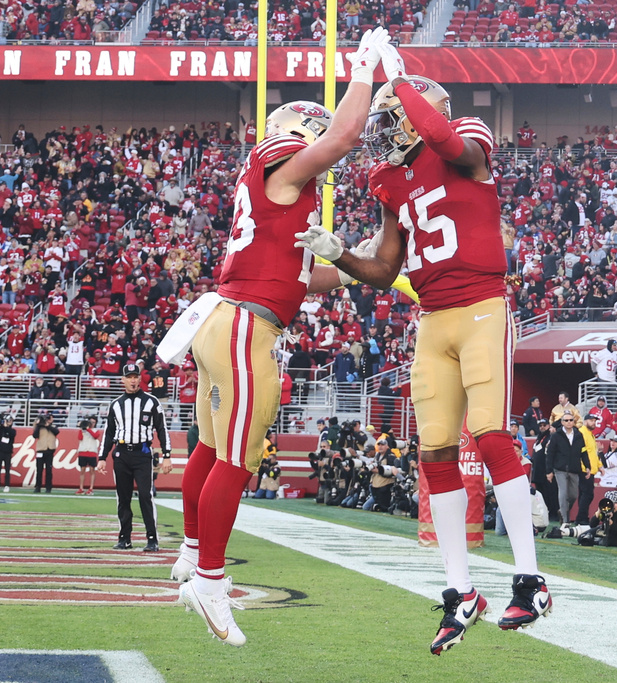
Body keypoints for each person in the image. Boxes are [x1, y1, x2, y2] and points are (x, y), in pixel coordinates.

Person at [298, 45, 551, 645]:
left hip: (484, 305)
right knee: (434, 454)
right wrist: (341, 256)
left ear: (420, 109)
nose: (387, 133)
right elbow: (387, 269)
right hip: (433, 320)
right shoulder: (387, 178)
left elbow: (445, 140)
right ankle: (460, 594)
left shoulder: (464, 137)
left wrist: (397, 77)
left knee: (491, 437)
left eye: (393, 117)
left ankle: (531, 581)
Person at [174, 28, 394, 649]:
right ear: (296, 134)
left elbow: (304, 276)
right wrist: (362, 69)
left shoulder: (274, 197)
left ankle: (193, 554)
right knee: (239, 461)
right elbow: (346, 135)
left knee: (214, 451)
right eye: (312, 136)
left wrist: (348, 258)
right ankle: (211, 585)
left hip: (225, 319)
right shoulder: (280, 168)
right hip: (245, 326)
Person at [98, 364, 172, 551]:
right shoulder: (116, 404)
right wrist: (101, 457)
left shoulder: (152, 401)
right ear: (122, 380)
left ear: (140, 379)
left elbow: (162, 429)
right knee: (123, 498)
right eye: (129, 377)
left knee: (146, 496)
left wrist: (167, 455)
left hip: (143, 454)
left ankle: (152, 539)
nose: (132, 380)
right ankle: (124, 538)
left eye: (135, 376)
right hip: (122, 453)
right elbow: (109, 433)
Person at [545, 413, 586, 525]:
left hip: (574, 469)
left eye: (570, 420)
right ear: (562, 422)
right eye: (566, 420)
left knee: (573, 495)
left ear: (574, 421)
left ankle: (563, 511)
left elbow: (583, 452)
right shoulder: (556, 436)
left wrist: (587, 466)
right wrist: (549, 471)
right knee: (563, 493)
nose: (568, 422)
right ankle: (565, 520)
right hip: (560, 469)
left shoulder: (579, 435)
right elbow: (550, 454)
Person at [576, 413, 603, 523]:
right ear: (585, 421)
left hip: (590, 469)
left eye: (595, 421)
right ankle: (581, 518)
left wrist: (600, 466)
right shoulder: (582, 432)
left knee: (584, 494)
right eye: (591, 420)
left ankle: (582, 517)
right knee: (587, 494)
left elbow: (593, 453)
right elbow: (582, 452)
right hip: (585, 469)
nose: (594, 423)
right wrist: (585, 467)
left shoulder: (590, 434)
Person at [32, 413, 59, 493]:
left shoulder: (53, 426)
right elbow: (35, 435)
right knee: (39, 470)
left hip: (50, 450)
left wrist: (48, 425)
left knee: (49, 470)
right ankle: (38, 487)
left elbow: (56, 432)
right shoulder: (39, 427)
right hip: (41, 449)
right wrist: (39, 425)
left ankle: (48, 487)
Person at [77, 416, 101, 495]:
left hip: (92, 452)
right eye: (90, 422)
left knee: (92, 471)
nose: (92, 424)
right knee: (82, 471)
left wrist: (88, 429)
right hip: (83, 451)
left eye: (93, 422)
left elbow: (95, 436)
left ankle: (91, 488)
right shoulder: (82, 430)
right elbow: (79, 438)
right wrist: (82, 428)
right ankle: (81, 488)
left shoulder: (96, 430)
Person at [0, 415, 16, 492]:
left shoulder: (13, 430)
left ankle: (7, 485)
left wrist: (6, 427)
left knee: (7, 469)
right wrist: (0, 425)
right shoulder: (0, 429)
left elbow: (12, 434)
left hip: (7, 452)